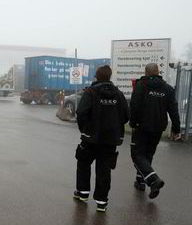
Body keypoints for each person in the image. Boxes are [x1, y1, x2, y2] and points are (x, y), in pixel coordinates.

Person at [74, 65, 129, 212]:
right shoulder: (118, 94)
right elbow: (126, 116)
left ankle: (82, 193)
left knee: (83, 163)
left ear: (96, 77)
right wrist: (114, 126)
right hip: (110, 140)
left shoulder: (90, 92)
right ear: (110, 76)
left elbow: (81, 113)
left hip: (90, 138)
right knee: (104, 170)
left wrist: (83, 128)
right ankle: (102, 202)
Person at [129, 63, 181, 199]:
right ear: (158, 72)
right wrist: (176, 128)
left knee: (137, 155)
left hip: (141, 126)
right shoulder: (168, 89)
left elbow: (134, 105)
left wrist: (133, 122)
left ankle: (153, 180)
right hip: (158, 127)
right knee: (148, 154)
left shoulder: (141, 85)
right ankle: (141, 181)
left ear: (146, 73)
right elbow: (173, 110)